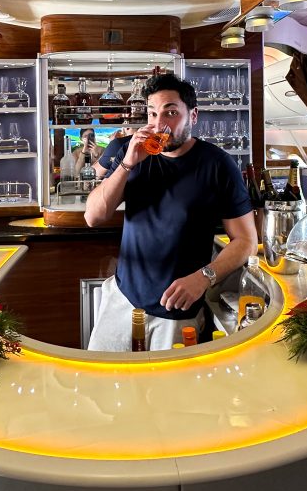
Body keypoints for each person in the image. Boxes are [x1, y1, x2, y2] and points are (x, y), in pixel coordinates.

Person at [84, 74, 256, 350]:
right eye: (153, 113)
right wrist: (127, 163)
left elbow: (246, 241)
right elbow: (93, 217)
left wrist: (204, 278)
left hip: (177, 310)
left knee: (166, 380)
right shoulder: (132, 154)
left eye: (171, 113)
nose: (159, 124)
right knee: (101, 376)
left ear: (193, 116)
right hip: (123, 297)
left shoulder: (218, 165)